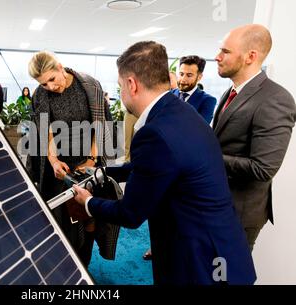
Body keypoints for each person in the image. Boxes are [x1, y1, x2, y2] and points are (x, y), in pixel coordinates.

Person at [72, 41, 256, 284]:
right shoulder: (180, 111)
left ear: (131, 84)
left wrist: (88, 202)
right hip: (223, 250)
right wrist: (103, 171)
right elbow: (155, 167)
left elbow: (130, 213)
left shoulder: (155, 133)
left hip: (198, 263)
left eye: (120, 86)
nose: (121, 94)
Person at [26, 51, 119, 267]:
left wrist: (91, 159)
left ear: (60, 67)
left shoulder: (89, 86)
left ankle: (82, 263)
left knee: (87, 215)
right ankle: (66, 262)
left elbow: (100, 123)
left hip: (88, 160)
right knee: (63, 219)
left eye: (52, 79)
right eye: (43, 83)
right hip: (59, 167)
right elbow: (45, 131)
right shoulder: (40, 95)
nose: (50, 86)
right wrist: (53, 160)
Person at [213, 24, 296, 251]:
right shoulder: (230, 92)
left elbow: (263, 168)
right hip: (217, 204)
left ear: (251, 56)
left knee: (226, 277)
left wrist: (208, 155)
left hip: (239, 213)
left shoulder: (275, 99)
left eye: (225, 51)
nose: (217, 57)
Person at [172, 55, 217, 124]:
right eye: (181, 74)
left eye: (189, 75)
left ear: (199, 77)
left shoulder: (208, 100)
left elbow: (199, 129)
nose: (183, 79)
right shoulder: (168, 95)